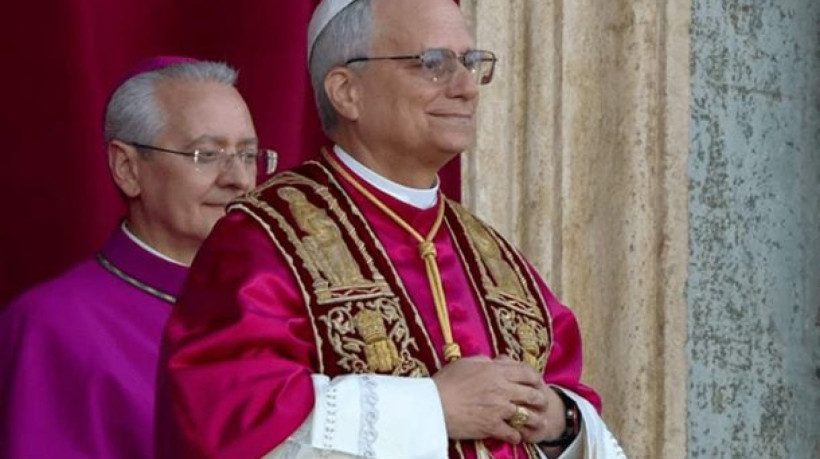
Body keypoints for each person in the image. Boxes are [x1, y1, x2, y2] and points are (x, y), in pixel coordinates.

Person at [157, 1, 626, 458]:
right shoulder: (263, 241)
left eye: (472, 62)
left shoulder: (493, 255)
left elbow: (571, 397)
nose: (467, 86)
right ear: (347, 91)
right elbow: (224, 426)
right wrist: (432, 409)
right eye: (434, 63)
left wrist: (559, 422)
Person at [0, 56, 272, 458]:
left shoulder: (278, 302)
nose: (239, 180)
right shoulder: (52, 327)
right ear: (127, 167)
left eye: (248, 156)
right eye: (207, 155)